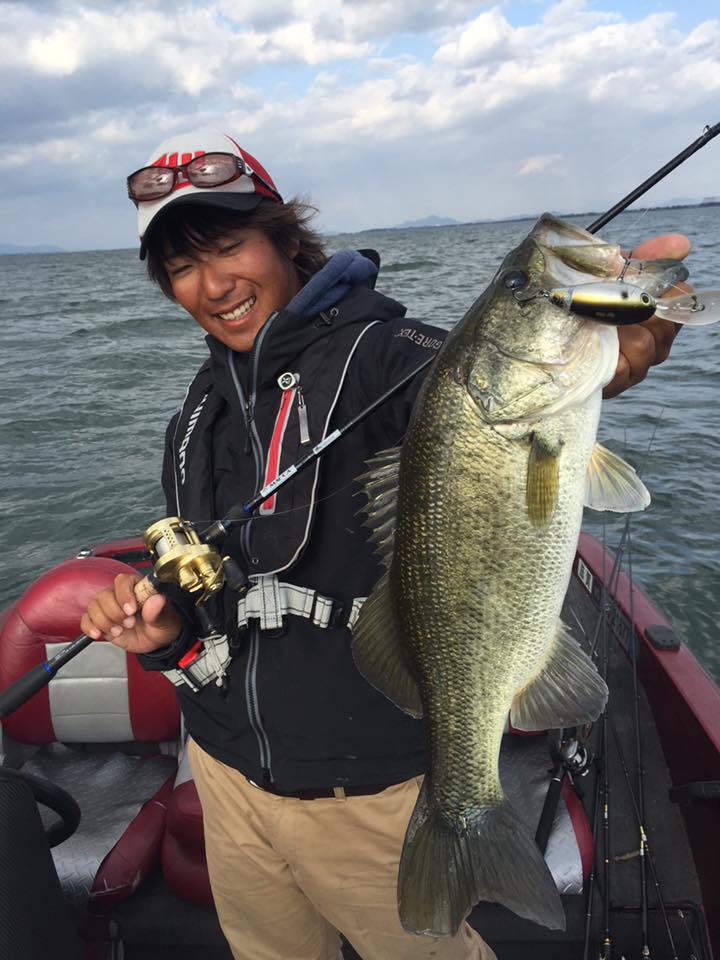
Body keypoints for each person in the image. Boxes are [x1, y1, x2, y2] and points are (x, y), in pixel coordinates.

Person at [80, 129, 688, 960]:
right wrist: (167, 634)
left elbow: (482, 394)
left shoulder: (396, 360)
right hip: (225, 778)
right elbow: (213, 595)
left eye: (228, 248)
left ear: (283, 239)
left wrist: (606, 350)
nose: (212, 284)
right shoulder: (196, 415)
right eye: (183, 266)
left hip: (363, 796)